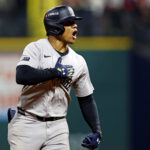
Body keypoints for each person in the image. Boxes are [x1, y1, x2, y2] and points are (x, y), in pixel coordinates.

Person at [8, 5, 102, 150]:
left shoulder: (78, 61)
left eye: (74, 22)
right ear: (56, 26)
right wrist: (54, 72)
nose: (75, 26)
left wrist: (97, 130)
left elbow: (86, 99)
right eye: (69, 23)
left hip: (58, 127)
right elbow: (22, 75)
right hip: (28, 122)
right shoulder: (36, 48)